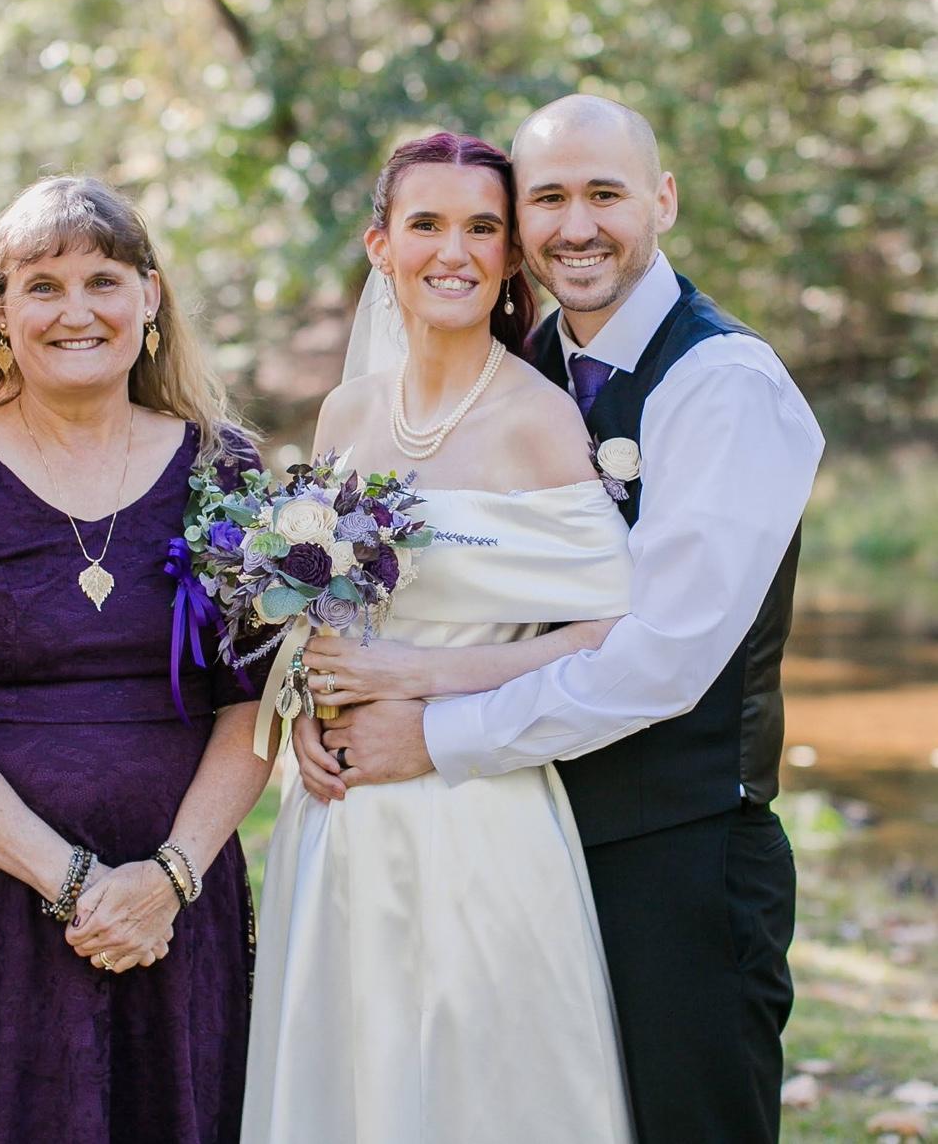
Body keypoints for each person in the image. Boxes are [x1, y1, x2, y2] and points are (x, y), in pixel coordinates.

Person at [297, 96, 824, 1143]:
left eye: (605, 195)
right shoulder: (525, 364)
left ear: (661, 200)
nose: (576, 226)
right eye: (547, 198)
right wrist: (324, 701)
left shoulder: (721, 383)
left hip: (676, 852)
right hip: (520, 836)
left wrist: (428, 726)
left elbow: (659, 661)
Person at [243, 132, 636, 1143]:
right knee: (344, 1075)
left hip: (474, 806)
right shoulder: (345, 411)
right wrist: (305, 709)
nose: (451, 251)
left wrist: (420, 676)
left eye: (480, 228)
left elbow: (611, 629)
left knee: (474, 1083)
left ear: (508, 257)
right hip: (339, 815)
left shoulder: (539, 418)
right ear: (381, 244)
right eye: (425, 223)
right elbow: (323, 607)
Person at [0, 175, 272, 1143]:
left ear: (149, 298)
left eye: (103, 281)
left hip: (179, 899)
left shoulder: (223, 467)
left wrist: (166, 878)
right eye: (42, 286)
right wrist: (74, 883)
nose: (75, 310)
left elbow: (256, 699)